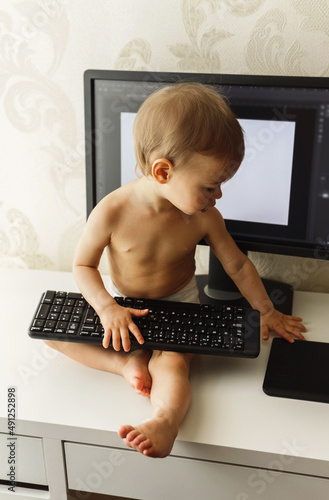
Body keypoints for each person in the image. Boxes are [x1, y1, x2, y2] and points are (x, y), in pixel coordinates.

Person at [45, 82, 306, 458]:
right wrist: (107, 308)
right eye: (211, 187)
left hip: (178, 304)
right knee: (53, 334)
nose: (218, 197)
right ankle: (126, 363)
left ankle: (165, 419)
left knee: (173, 364)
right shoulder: (112, 211)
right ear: (163, 171)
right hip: (123, 307)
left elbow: (237, 264)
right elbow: (83, 265)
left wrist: (266, 311)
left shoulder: (205, 217)